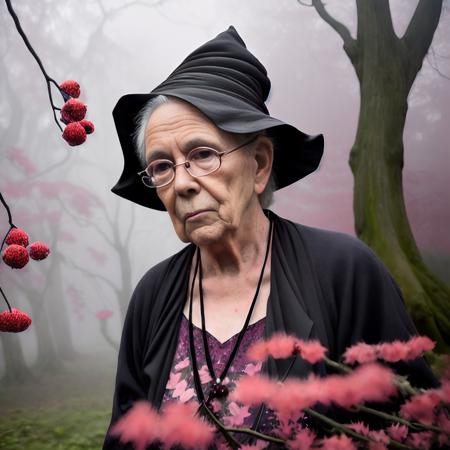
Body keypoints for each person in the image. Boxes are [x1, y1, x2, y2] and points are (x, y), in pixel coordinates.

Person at [103, 26, 437, 449]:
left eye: (202, 154)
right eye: (162, 166)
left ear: (259, 165)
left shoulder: (344, 272)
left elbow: (415, 430)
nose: (181, 183)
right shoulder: (153, 295)